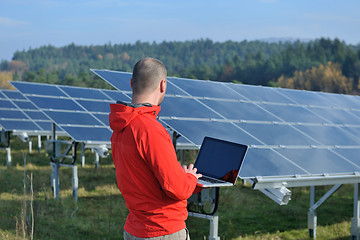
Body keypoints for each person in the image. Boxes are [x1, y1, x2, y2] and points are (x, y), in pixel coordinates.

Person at [109, 58, 202, 239]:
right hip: (162, 229)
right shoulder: (150, 129)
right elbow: (177, 188)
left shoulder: (121, 127)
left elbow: (146, 179)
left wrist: (180, 176)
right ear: (163, 85)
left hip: (135, 228)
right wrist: (189, 178)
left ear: (131, 83)